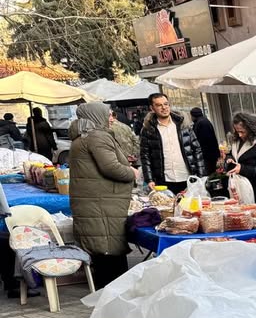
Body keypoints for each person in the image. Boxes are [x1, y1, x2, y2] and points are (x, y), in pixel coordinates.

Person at [68, 103, 139, 287]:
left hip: (95, 202)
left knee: (101, 252)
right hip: (103, 203)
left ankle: (105, 288)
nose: (111, 118)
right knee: (110, 250)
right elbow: (111, 168)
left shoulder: (80, 137)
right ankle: (115, 292)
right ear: (96, 116)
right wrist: (132, 172)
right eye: (108, 115)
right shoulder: (97, 136)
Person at [139, 92, 205, 194]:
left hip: (188, 178)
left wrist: (200, 175)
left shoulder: (183, 124)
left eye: (166, 104)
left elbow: (197, 149)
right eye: (159, 105)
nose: (164, 108)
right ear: (152, 108)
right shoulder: (148, 129)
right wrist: (149, 179)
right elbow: (145, 156)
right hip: (164, 180)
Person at [223, 112, 256, 213]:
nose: (240, 135)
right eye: (237, 131)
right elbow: (232, 154)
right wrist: (229, 159)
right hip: (239, 190)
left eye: (242, 132)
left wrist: (242, 169)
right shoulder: (238, 141)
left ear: (250, 128)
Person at [190, 108, 221, 175]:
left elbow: (205, 141)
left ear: (193, 115)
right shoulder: (204, 121)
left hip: (207, 156)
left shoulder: (201, 123)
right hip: (210, 154)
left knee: (209, 174)